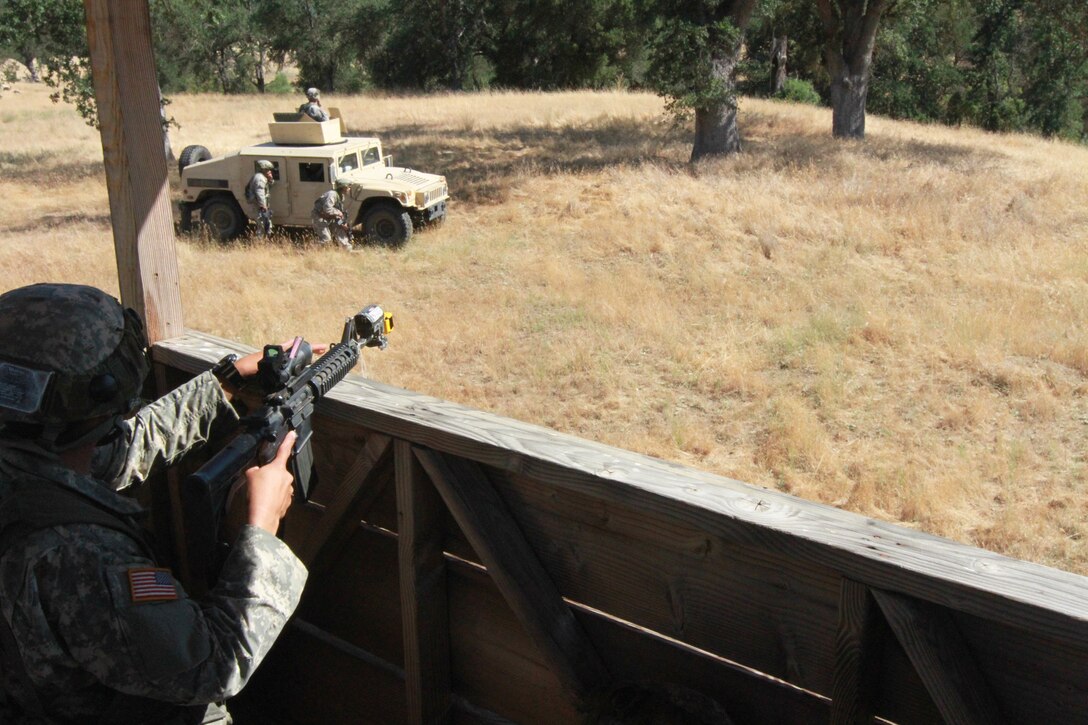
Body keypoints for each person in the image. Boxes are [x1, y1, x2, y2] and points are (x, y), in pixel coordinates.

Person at [0, 283, 310, 723]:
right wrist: (259, 530)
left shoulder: (25, 455)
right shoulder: (80, 556)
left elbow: (114, 450)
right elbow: (214, 664)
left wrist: (222, 385)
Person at [311, 179, 353, 250]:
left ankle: (347, 248)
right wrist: (338, 212)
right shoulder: (332, 195)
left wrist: (342, 223)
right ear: (343, 187)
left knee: (340, 228)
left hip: (330, 217)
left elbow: (337, 216)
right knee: (326, 239)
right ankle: (313, 250)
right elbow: (327, 209)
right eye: (348, 187)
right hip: (320, 217)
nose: (349, 189)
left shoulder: (341, 196)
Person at [245, 159, 275, 237]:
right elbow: (260, 193)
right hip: (259, 205)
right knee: (262, 223)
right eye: (267, 170)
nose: (269, 171)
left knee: (266, 222)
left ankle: (266, 238)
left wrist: (270, 179)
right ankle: (260, 240)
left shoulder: (262, 177)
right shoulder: (260, 178)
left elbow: (267, 187)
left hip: (262, 205)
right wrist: (263, 206)